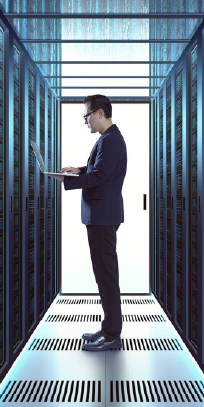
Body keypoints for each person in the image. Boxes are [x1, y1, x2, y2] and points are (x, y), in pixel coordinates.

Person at [47, 94, 128, 352]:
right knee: (103, 275)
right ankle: (108, 329)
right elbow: (98, 170)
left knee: (106, 275)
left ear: (100, 113)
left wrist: (65, 180)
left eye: (87, 115)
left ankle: (113, 334)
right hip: (101, 216)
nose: (86, 121)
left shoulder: (112, 140)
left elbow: (101, 176)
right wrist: (78, 170)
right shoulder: (108, 139)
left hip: (103, 217)